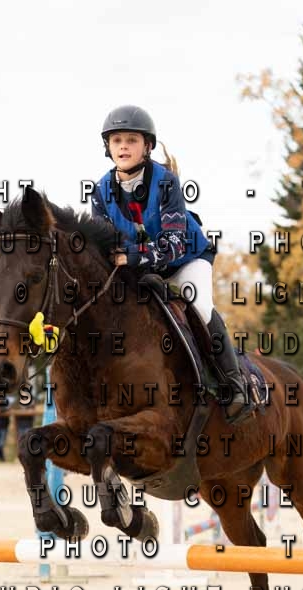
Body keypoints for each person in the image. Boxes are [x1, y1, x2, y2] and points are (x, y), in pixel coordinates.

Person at [91, 105, 250, 423]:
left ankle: (234, 385)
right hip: (141, 268)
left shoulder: (166, 183)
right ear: (108, 147)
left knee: (199, 306)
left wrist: (130, 257)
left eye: (132, 140)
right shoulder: (100, 191)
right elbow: (103, 247)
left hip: (186, 258)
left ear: (147, 146)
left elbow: (174, 244)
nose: (123, 147)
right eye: (117, 140)